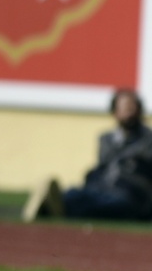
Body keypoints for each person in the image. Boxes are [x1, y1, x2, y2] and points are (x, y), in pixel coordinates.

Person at [23, 88, 152, 222]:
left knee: (116, 204)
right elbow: (103, 166)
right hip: (101, 188)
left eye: (132, 107)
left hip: (130, 193)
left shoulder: (148, 139)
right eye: (125, 108)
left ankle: (53, 210)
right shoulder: (106, 139)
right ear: (115, 112)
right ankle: (54, 202)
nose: (129, 112)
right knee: (74, 194)